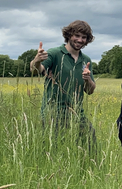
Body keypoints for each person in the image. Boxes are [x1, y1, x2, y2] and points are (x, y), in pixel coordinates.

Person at [30, 20, 97, 153]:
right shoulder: (55, 53)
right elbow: (36, 70)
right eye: (77, 36)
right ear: (69, 35)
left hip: (77, 113)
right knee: (54, 151)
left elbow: (90, 91)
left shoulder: (86, 60)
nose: (80, 40)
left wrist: (88, 79)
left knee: (90, 141)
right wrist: (36, 61)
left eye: (84, 37)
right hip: (54, 112)